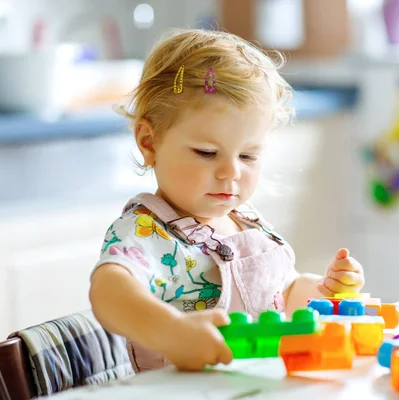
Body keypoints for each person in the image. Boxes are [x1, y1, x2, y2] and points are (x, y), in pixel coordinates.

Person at [88, 29, 365, 372]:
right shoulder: (147, 233)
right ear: (149, 142)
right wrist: (171, 332)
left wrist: (325, 291)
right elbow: (109, 292)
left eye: (248, 156)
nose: (230, 172)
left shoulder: (245, 221)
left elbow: (284, 293)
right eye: (207, 153)